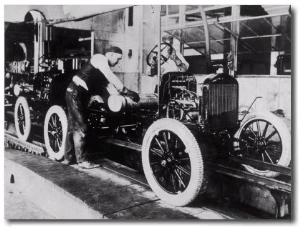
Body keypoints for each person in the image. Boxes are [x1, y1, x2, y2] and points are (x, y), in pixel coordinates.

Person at [64, 46, 139, 169]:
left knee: (72, 127)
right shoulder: (100, 58)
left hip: (75, 93)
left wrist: (121, 99)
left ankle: (68, 158)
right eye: (118, 59)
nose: (118, 62)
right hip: (75, 93)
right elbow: (110, 76)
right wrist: (126, 91)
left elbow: (109, 85)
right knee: (82, 127)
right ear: (111, 54)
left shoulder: (101, 67)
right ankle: (82, 161)